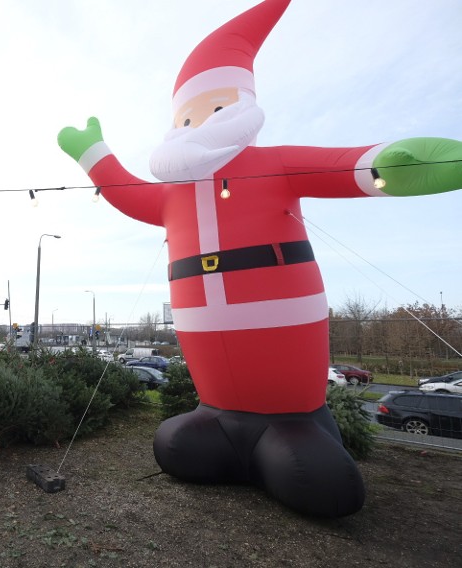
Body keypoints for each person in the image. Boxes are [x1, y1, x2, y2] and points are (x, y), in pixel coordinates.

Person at [58, 0, 462, 517]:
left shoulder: (273, 166)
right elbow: (128, 193)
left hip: (288, 379)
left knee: (319, 481)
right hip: (215, 399)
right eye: (186, 115)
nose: (197, 122)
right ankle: (225, 427)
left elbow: (343, 166)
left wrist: (390, 164)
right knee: (178, 445)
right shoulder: (173, 194)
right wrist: (95, 154)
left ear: (245, 103)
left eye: (215, 107)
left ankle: (293, 427)